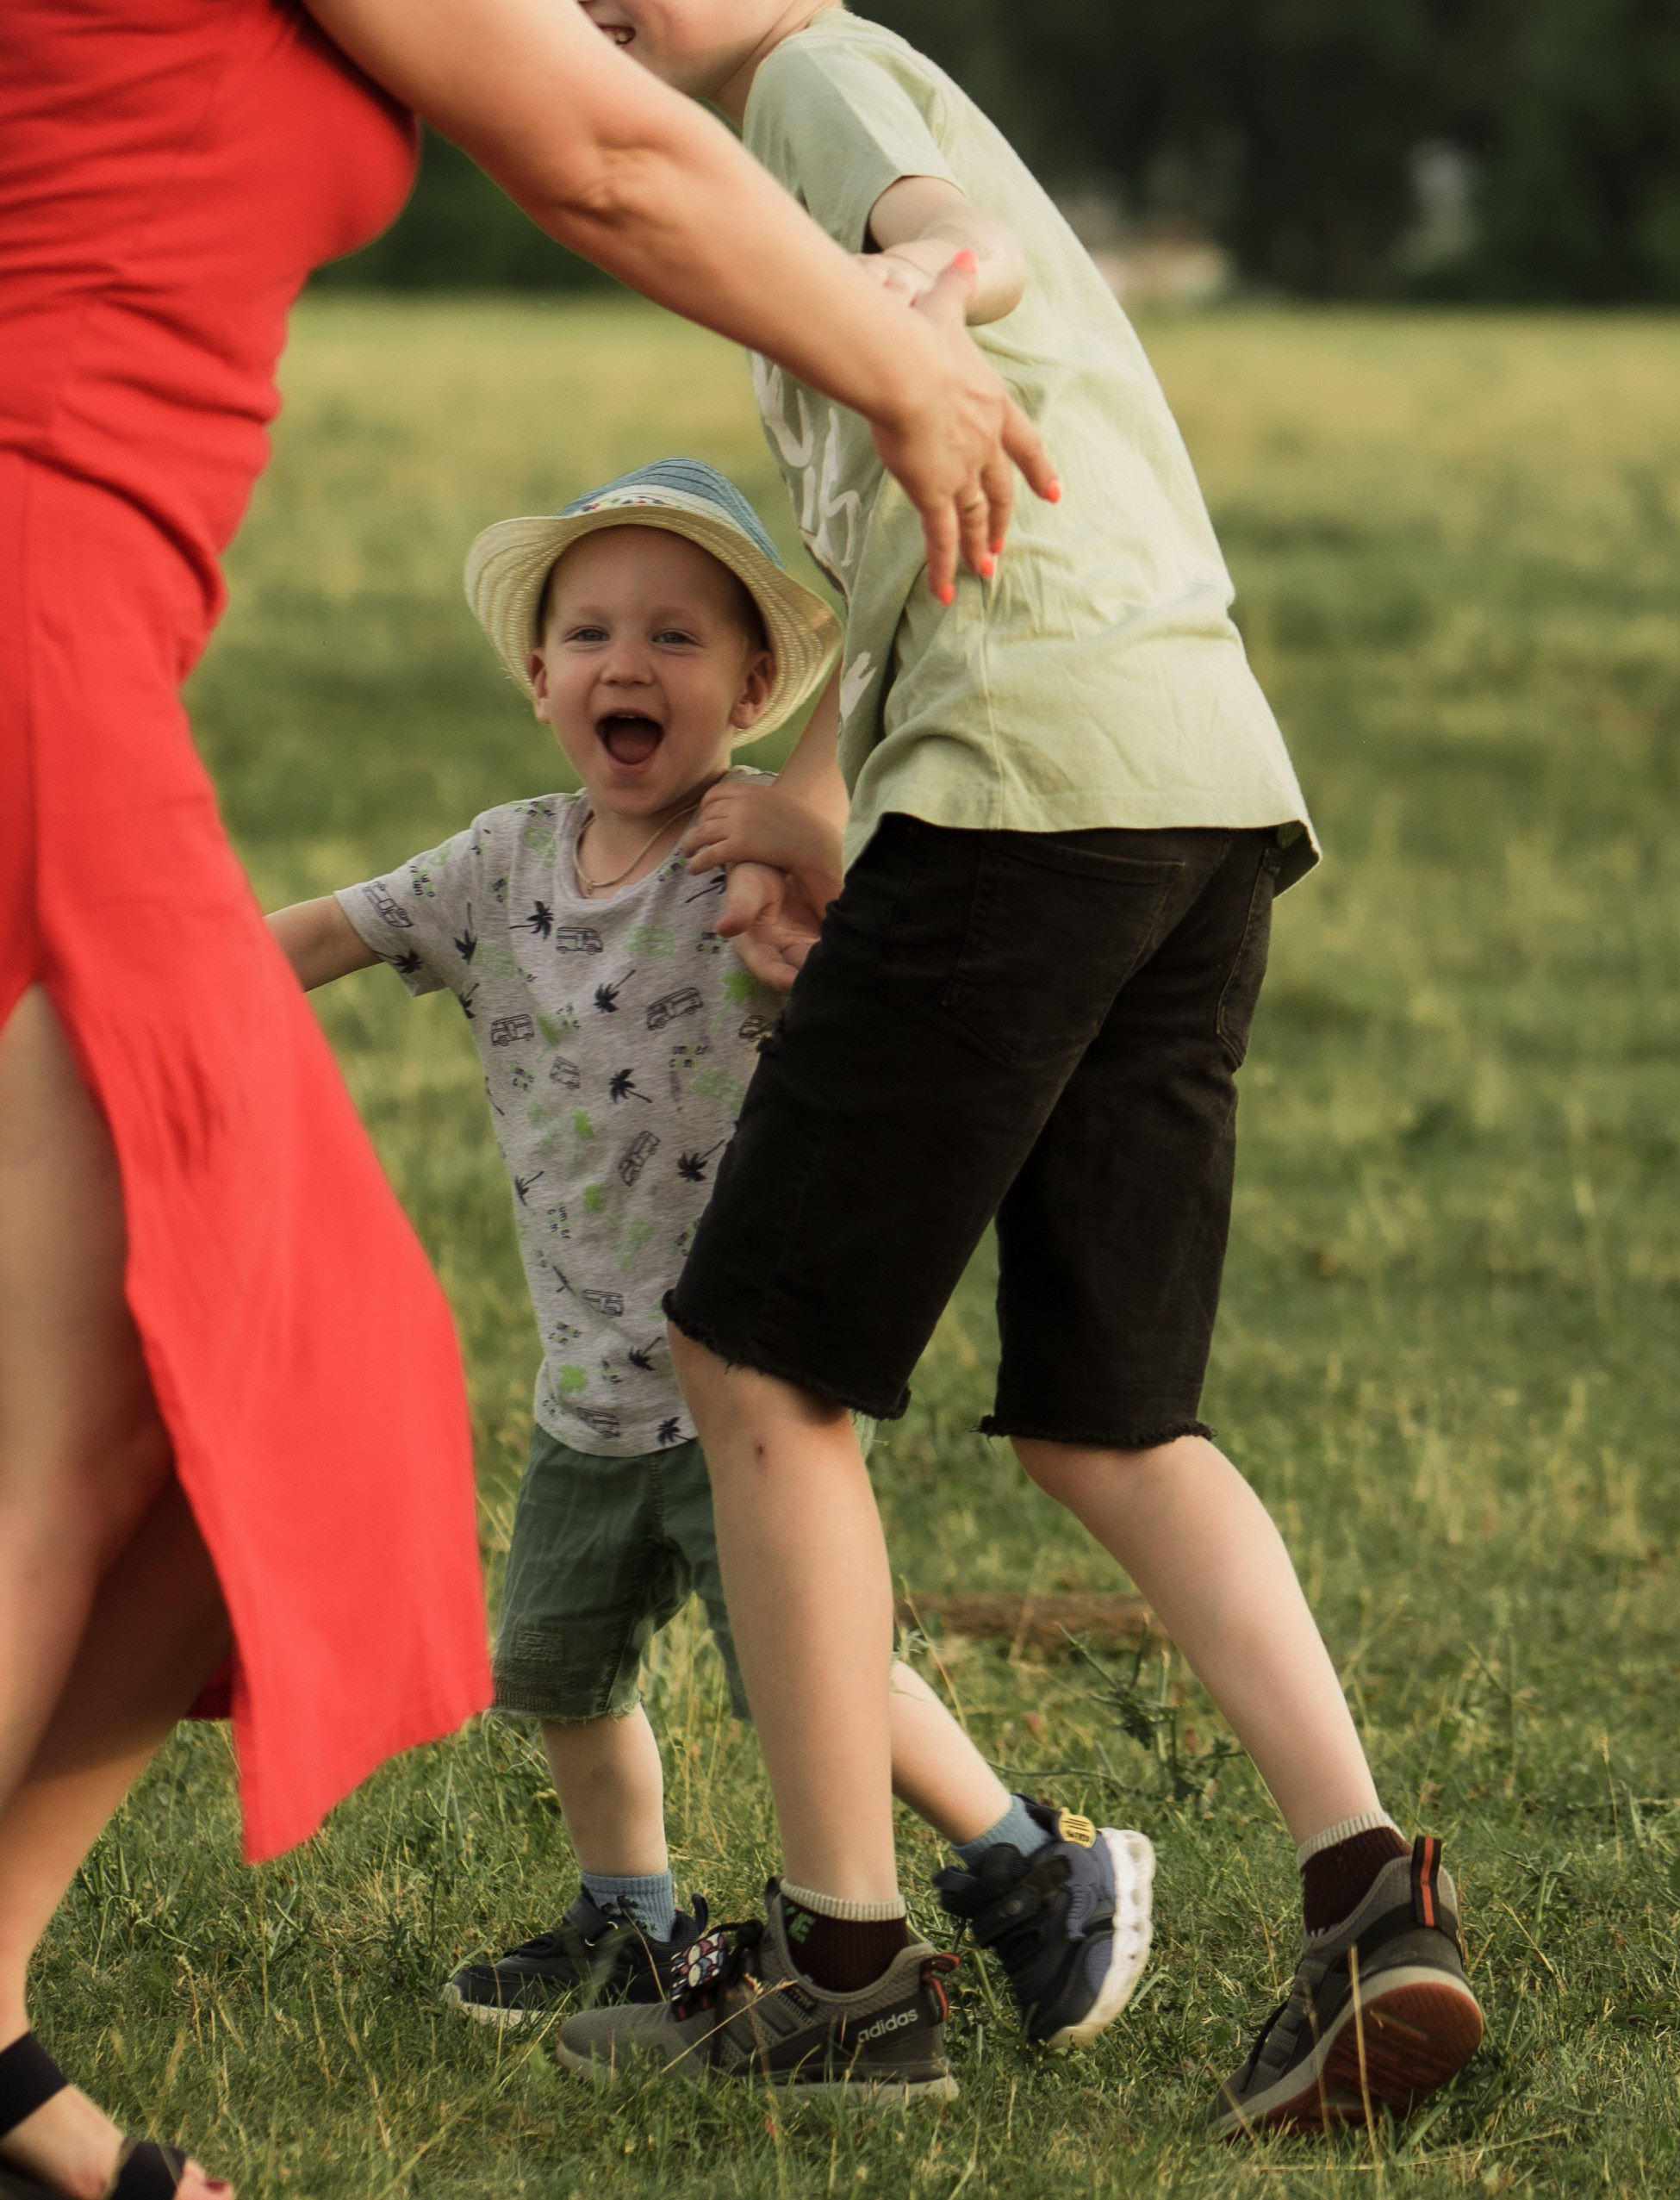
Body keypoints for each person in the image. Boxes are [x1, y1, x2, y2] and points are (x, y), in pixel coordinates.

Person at [0, 0, 1055, 2186]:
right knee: (165, 1397)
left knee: (212, 1401)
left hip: (82, 619)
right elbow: (605, 152)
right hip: (38, 603)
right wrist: (906, 364)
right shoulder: (495, 860)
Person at [554, 0, 1485, 2133]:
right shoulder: (776, 147)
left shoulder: (808, 80)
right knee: (1107, 1417)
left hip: (1029, 795)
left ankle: (845, 1974)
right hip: (1189, 784)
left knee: (755, 1369)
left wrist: (907, 272)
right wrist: (823, 804)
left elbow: (934, 230)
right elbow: (950, 555)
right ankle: (1370, 1894)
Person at [267, 459, 1156, 2072]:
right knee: (552, 1663)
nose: (628, 663)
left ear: (753, 687)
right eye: (590, 630)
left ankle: (1034, 1853)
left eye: (679, 637)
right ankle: (630, 1908)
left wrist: (808, 867)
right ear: (537, 676)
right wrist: (137, 990)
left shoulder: (763, 862)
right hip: (585, 1385)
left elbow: (893, 1002)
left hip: (746, 1380)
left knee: (810, 1674)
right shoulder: (501, 862)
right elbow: (324, 934)